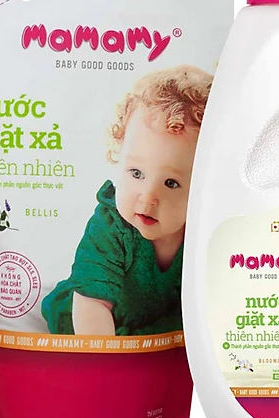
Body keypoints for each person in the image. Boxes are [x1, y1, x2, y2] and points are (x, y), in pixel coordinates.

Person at [41, 65, 212, 336]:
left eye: (171, 183)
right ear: (119, 155)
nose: (148, 197)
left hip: (151, 322)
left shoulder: (201, 235)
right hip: (88, 318)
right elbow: (91, 303)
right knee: (81, 314)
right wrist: (106, 354)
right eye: (136, 173)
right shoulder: (110, 228)